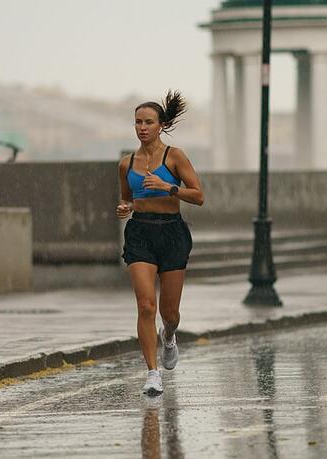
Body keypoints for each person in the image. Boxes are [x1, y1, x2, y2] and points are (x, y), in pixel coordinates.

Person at [116, 90, 204, 396]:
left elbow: (199, 195)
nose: (142, 127)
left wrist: (169, 187)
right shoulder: (127, 164)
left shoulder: (175, 156)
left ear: (160, 125)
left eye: (148, 122)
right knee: (145, 305)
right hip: (140, 234)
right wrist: (125, 208)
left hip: (172, 234)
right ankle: (152, 373)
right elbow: (128, 199)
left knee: (170, 313)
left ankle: (169, 336)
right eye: (138, 122)